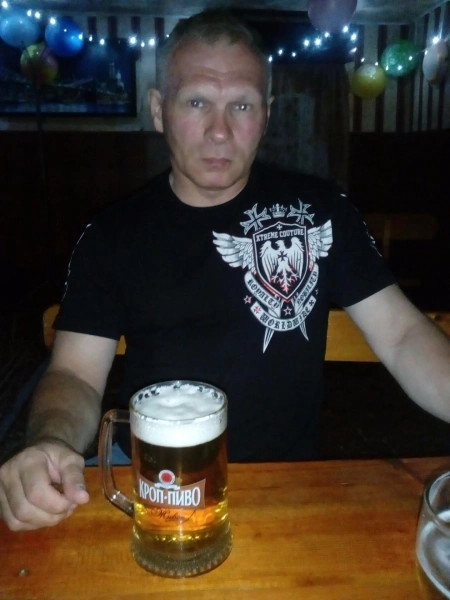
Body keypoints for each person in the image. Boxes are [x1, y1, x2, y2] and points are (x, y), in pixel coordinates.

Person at [1, 9, 449, 532]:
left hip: (287, 484)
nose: (220, 131)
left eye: (242, 104)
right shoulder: (110, 236)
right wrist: (50, 441)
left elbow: (401, 334)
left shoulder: (321, 212)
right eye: (197, 102)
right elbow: (75, 374)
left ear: (267, 115)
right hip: (156, 483)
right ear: (159, 110)